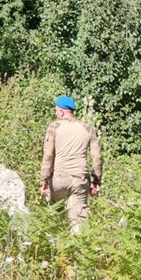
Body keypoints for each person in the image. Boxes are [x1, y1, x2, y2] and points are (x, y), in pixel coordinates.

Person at [40, 95, 102, 234]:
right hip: (80, 180)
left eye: (56, 110)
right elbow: (97, 156)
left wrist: (44, 180)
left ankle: (56, 248)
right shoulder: (87, 128)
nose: (56, 113)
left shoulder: (54, 127)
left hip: (58, 179)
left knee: (55, 215)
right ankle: (76, 250)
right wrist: (96, 181)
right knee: (78, 218)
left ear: (61, 112)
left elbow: (48, 155)